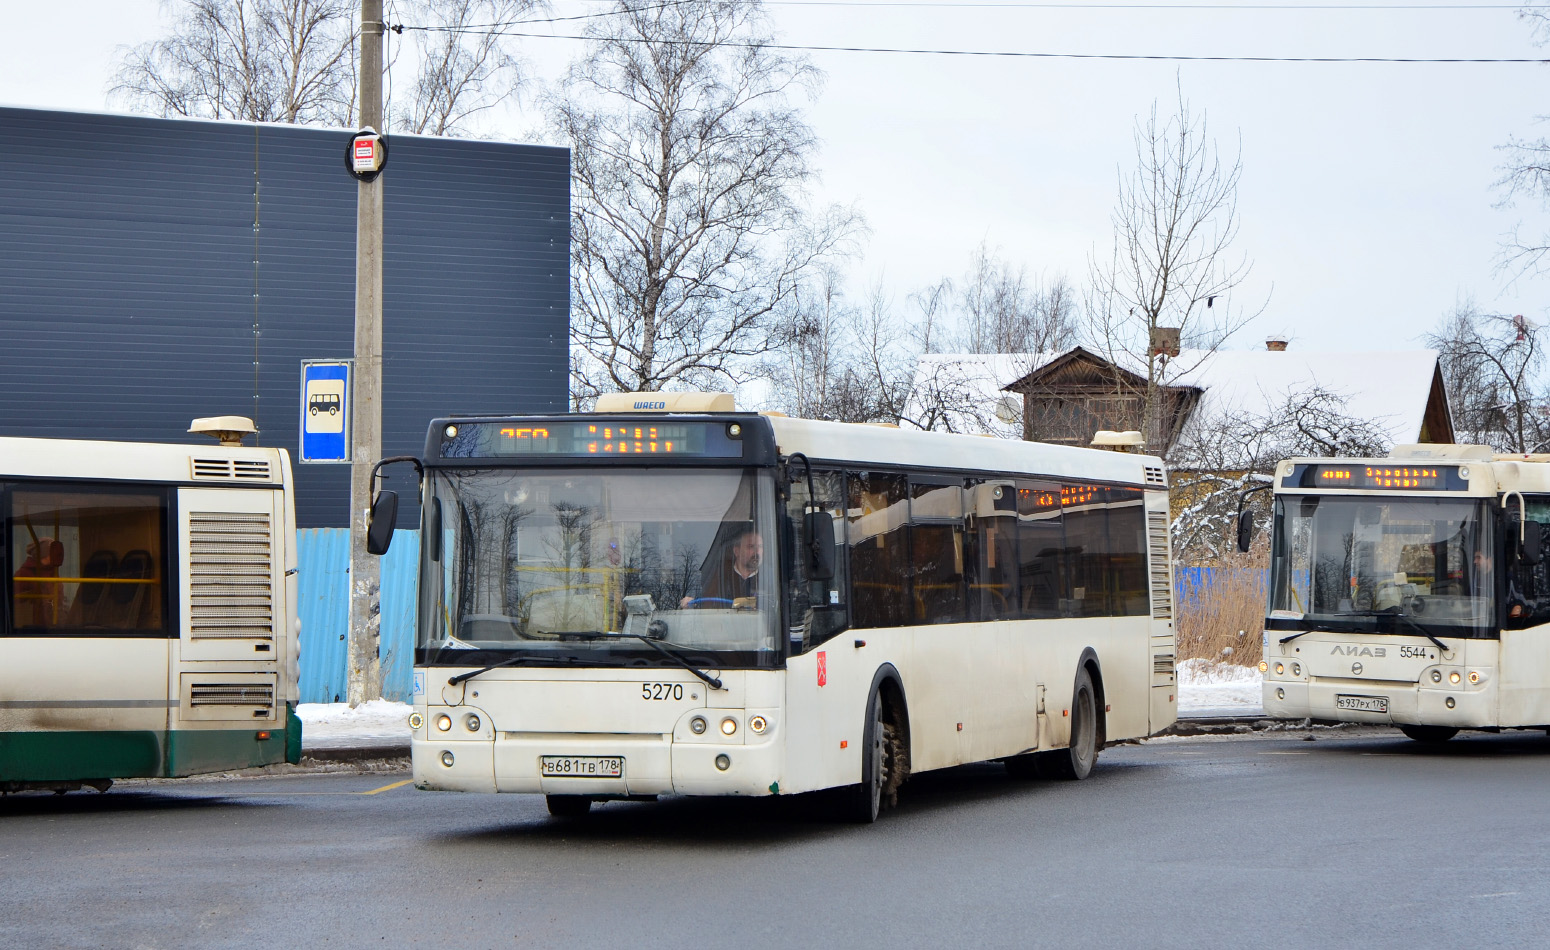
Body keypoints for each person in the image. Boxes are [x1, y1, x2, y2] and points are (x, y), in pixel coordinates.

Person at [683, 526, 763, 607]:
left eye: (760, 546)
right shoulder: (719, 575)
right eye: (751, 546)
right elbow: (704, 602)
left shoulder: (770, 577)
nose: (757, 552)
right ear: (736, 551)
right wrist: (689, 602)